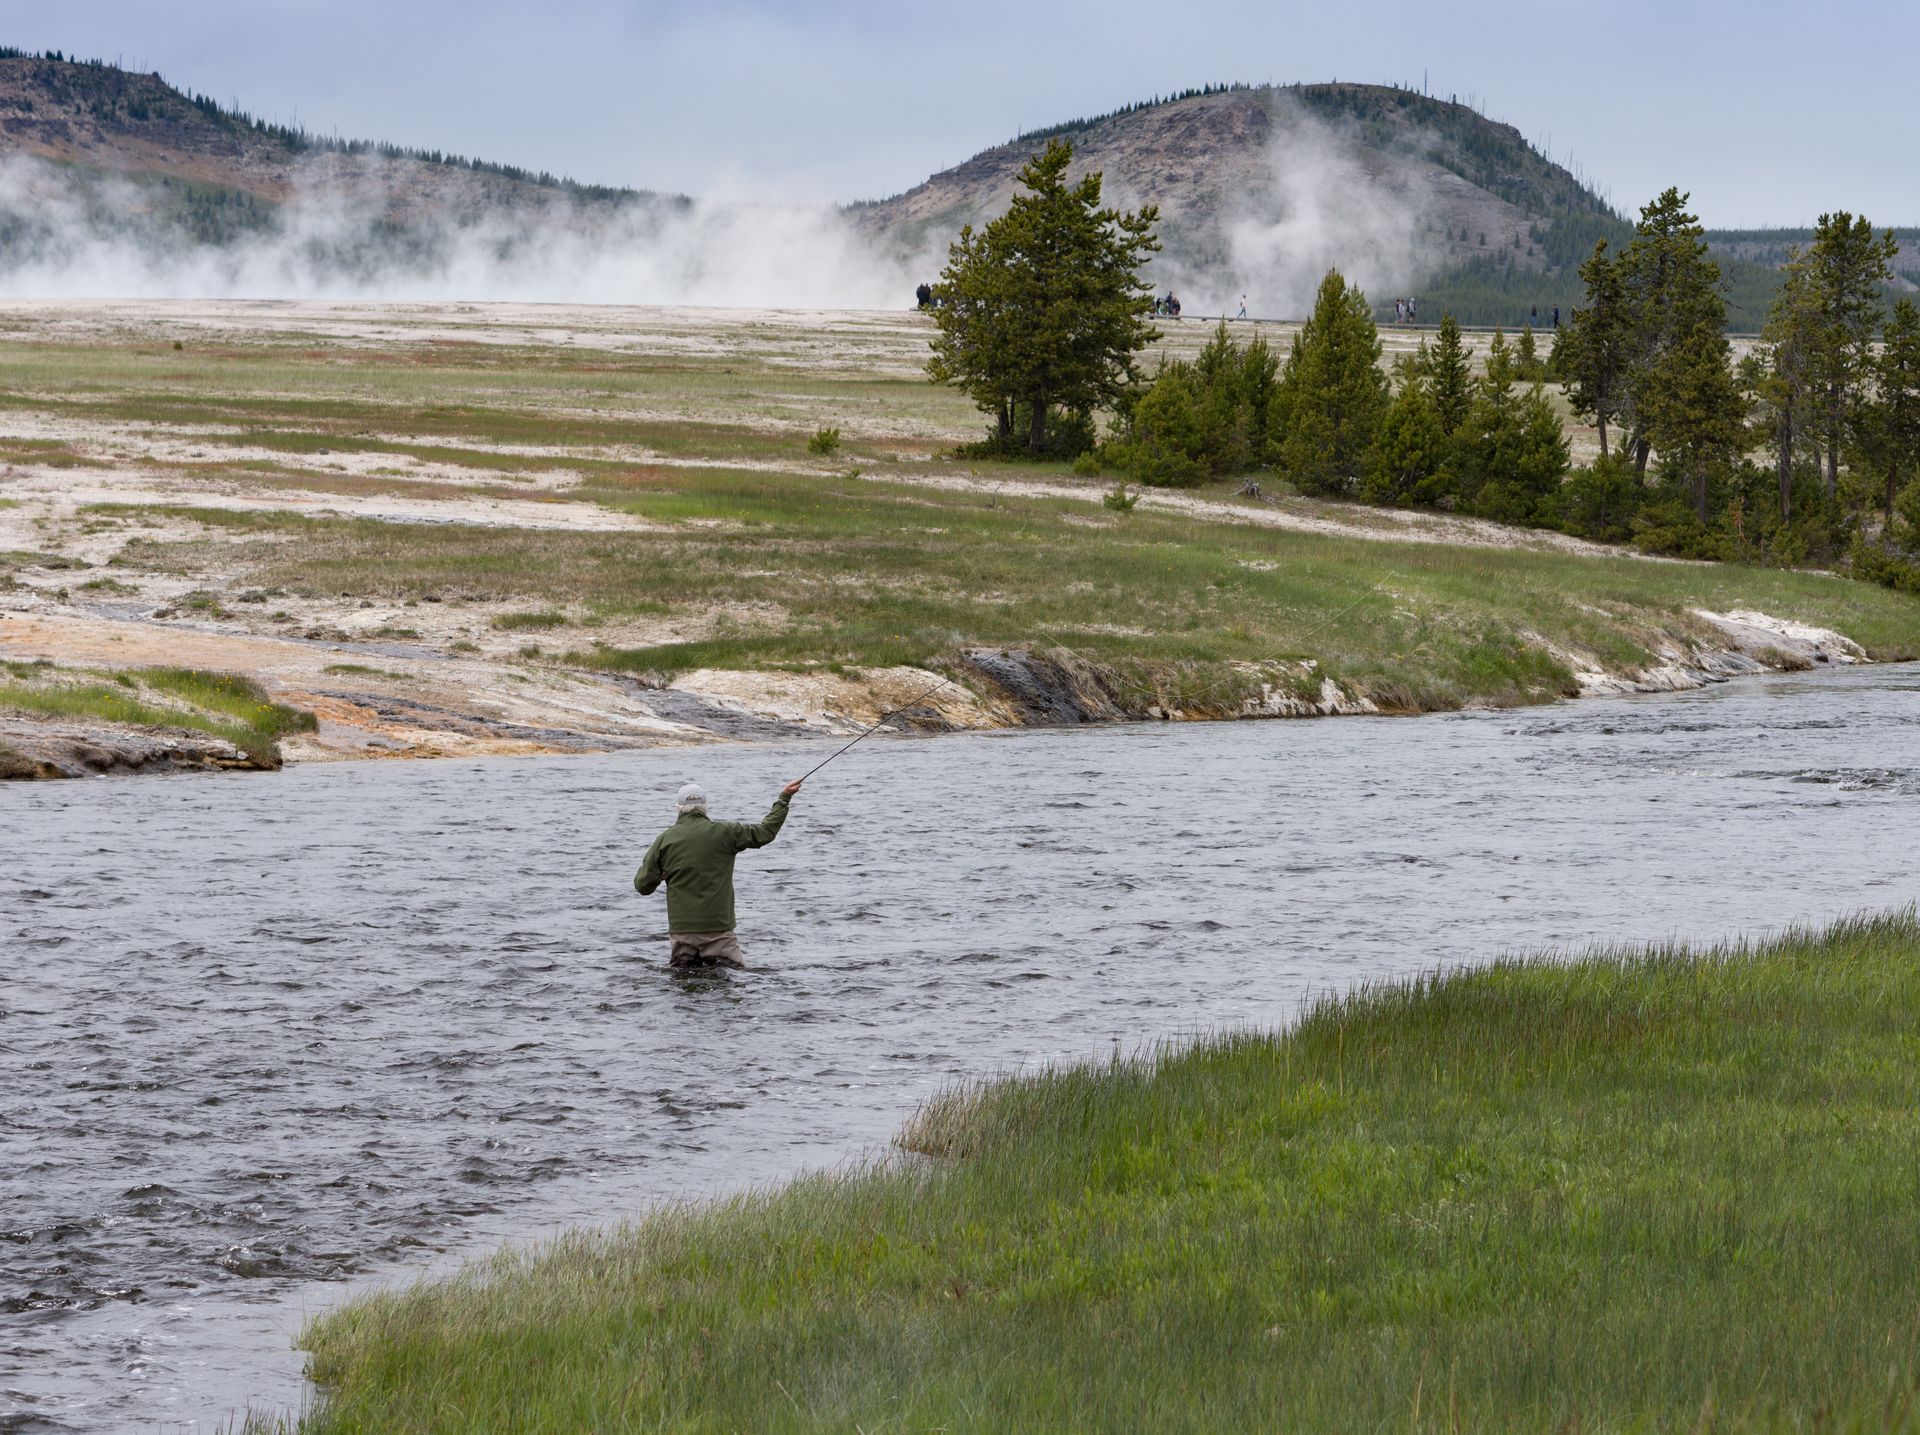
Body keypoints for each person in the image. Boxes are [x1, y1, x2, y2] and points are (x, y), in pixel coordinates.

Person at [634, 780, 802, 970]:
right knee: (730, 981)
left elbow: (642, 886)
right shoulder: (726, 832)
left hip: (682, 933)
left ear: (678, 808)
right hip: (719, 932)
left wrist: (661, 876)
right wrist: (784, 798)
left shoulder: (665, 840)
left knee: (683, 984)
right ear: (706, 807)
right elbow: (765, 832)